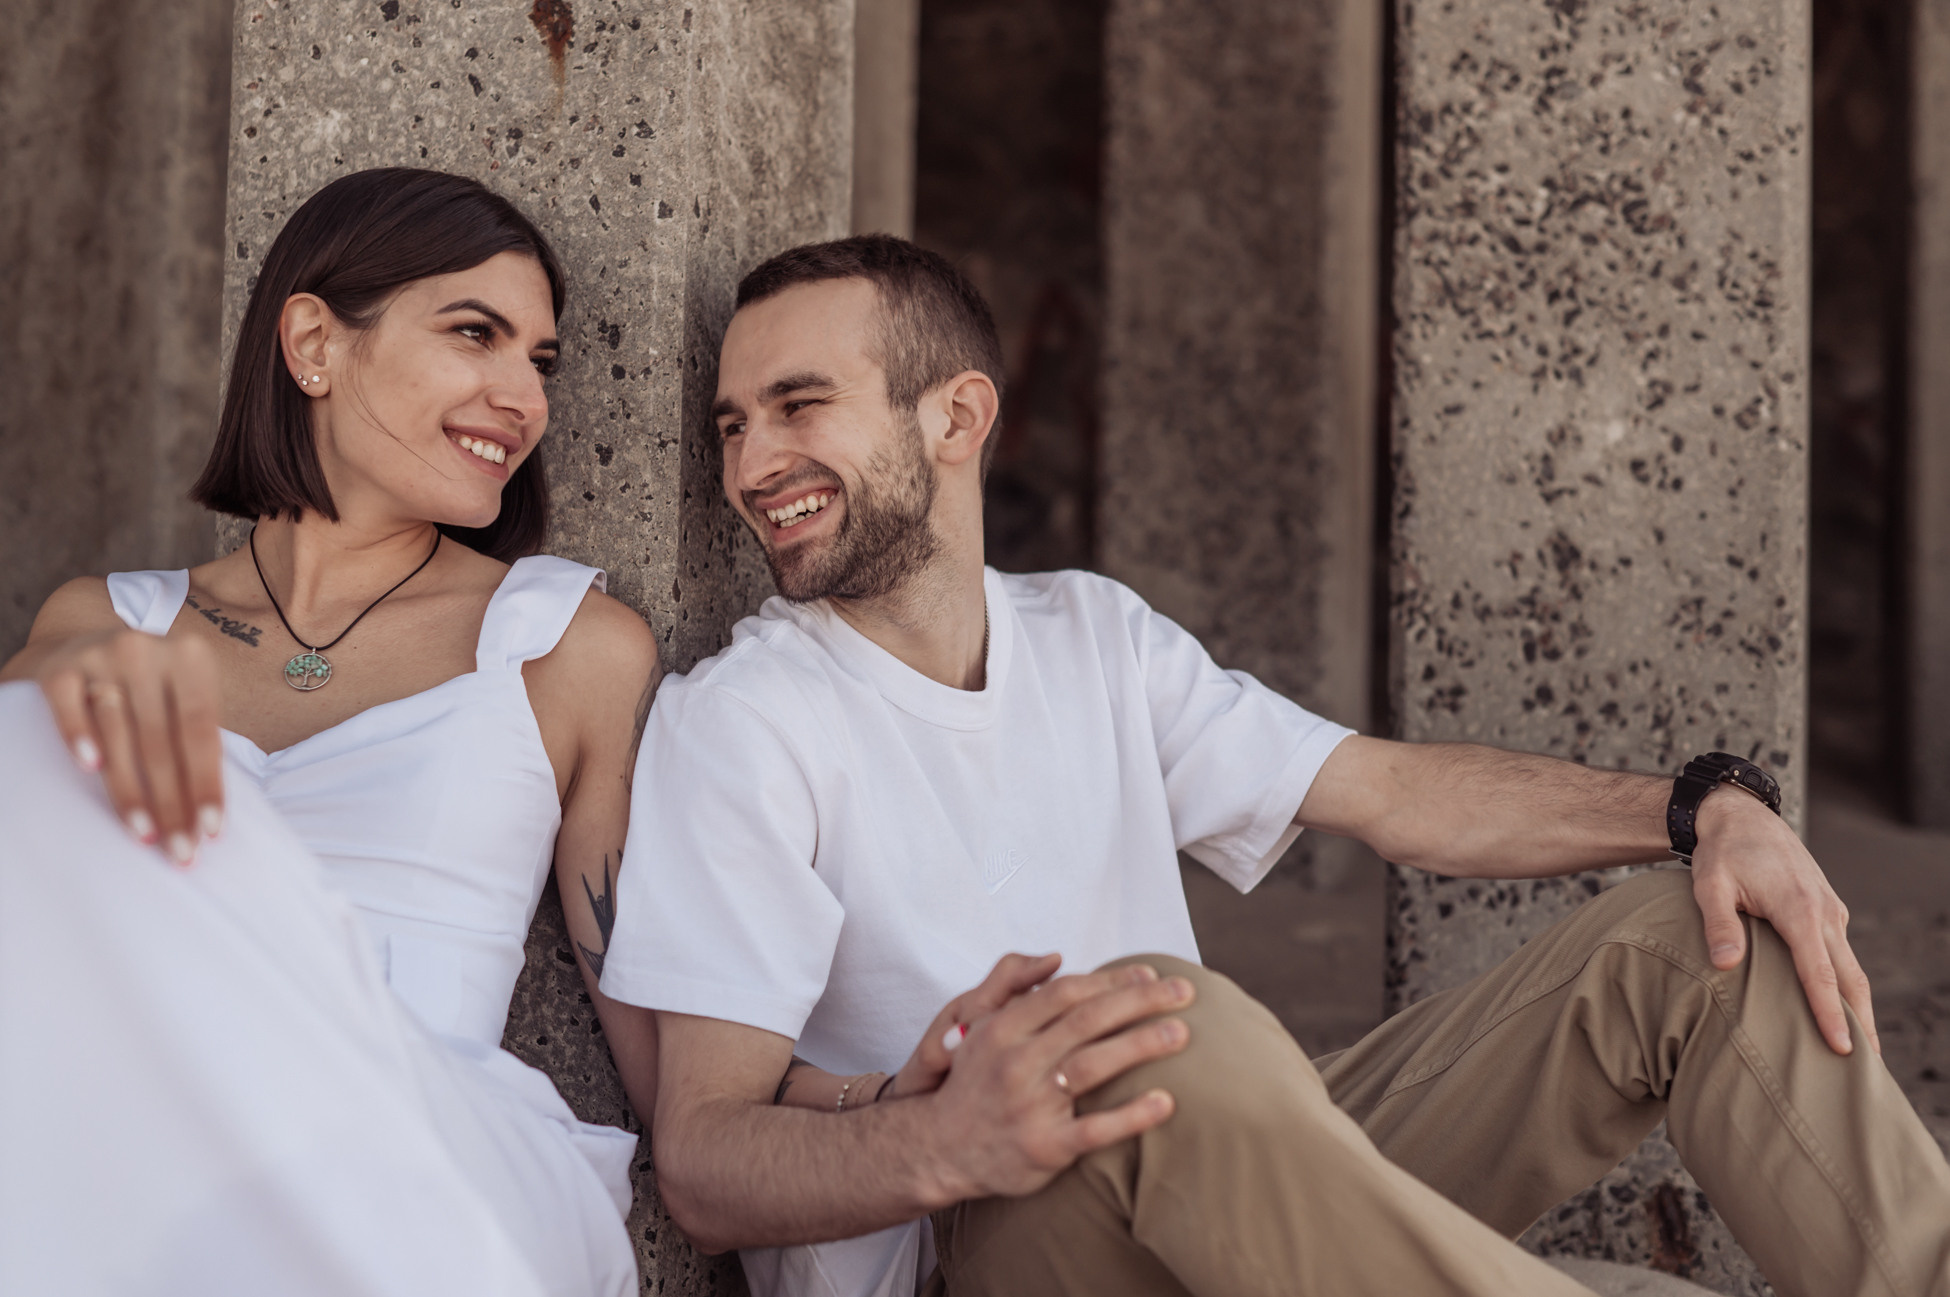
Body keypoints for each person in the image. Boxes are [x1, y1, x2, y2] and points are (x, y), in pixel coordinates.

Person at [595, 234, 1950, 1297]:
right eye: (729, 424)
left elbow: (1394, 793)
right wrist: (951, 1139)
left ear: (953, 418)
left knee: (1687, 935)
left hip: (1224, 1172)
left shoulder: (1090, 637)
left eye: (796, 406)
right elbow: (706, 1162)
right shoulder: (746, 725)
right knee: (1142, 1021)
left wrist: (1702, 807)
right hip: (991, 1245)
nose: (751, 463)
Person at [0, 168, 663, 1297]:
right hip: (144, 1130)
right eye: (475, 333)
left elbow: (672, 1053)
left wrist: (893, 1103)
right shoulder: (98, 624)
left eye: (538, 361)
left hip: (416, 1149)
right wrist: (68, 696)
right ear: (313, 341)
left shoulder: (565, 645)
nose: (526, 398)